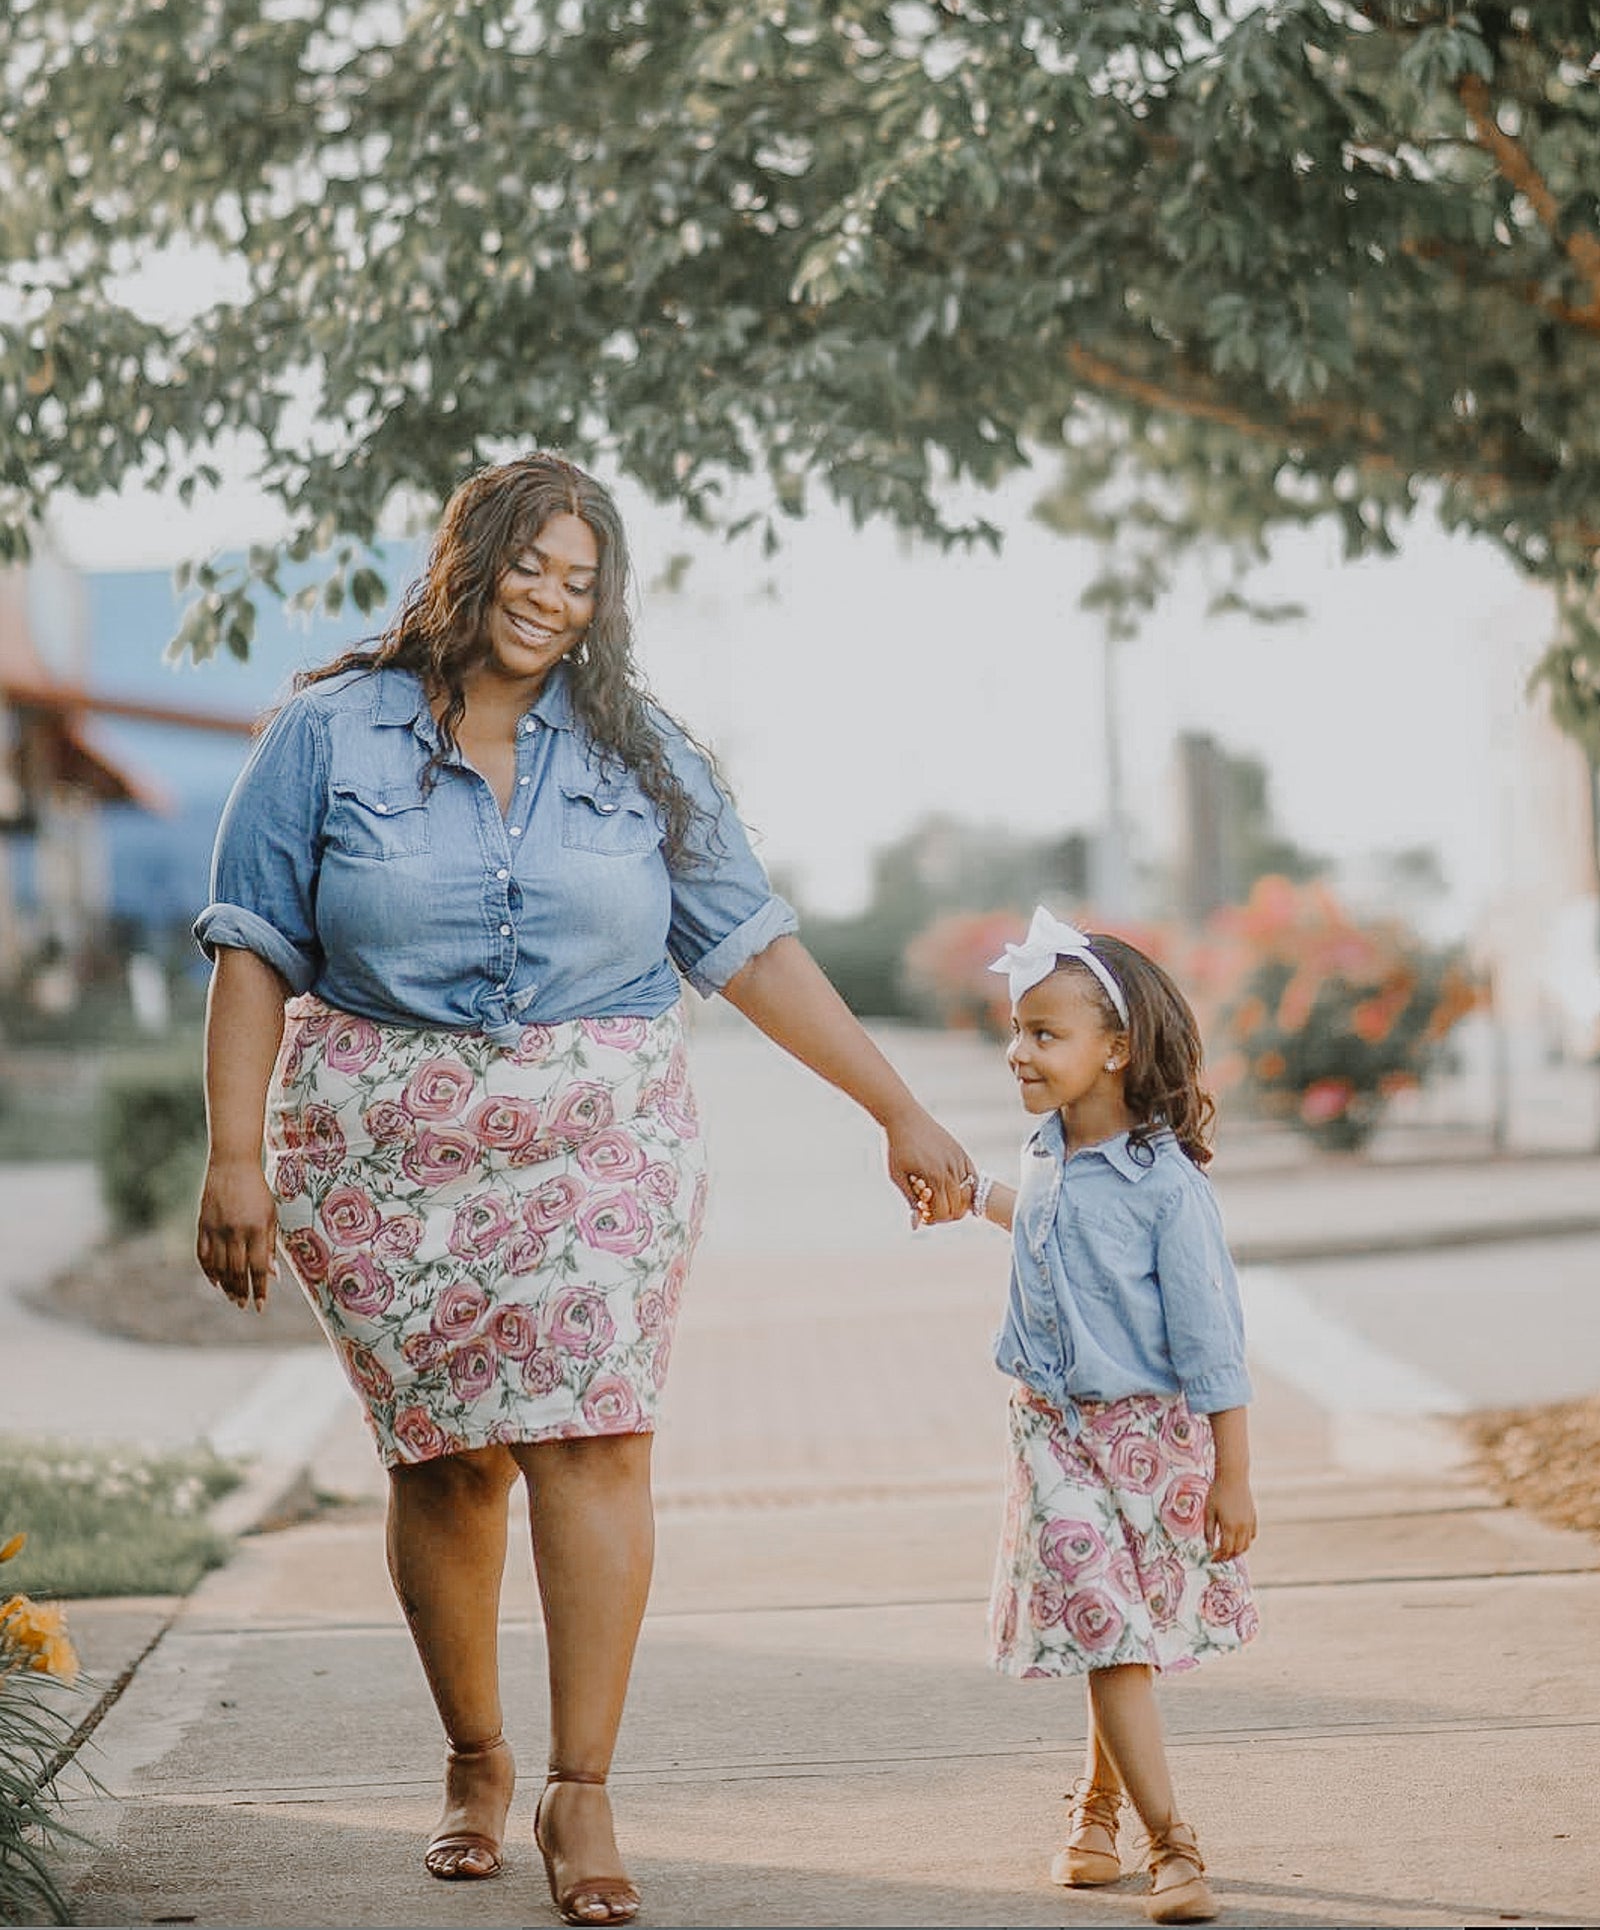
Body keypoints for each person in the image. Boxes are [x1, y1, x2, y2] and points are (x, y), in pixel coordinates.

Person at [192, 453, 974, 1926]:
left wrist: (900, 1108)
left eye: (581, 577)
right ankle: (476, 1757)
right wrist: (232, 1151)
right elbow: (251, 949)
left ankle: (582, 1784)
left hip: (597, 1136)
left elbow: (749, 943)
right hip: (384, 1146)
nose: (550, 598)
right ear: (463, 560)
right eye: (529, 564)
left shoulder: (640, 751)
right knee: (445, 1461)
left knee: (597, 1438)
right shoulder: (320, 736)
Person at [946, 907, 1258, 1925]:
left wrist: (1235, 1473)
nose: (1017, 1051)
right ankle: (1152, 1835)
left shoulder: (1167, 1187)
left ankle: (1114, 1818)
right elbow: (1040, 1221)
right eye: (1017, 1028)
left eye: (1044, 1032)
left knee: (1116, 1635)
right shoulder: (1040, 1153)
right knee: (1103, 1623)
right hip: (1049, 1435)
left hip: (1150, 1441)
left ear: (1115, 1050)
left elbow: (1213, 1345)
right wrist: (971, 1193)